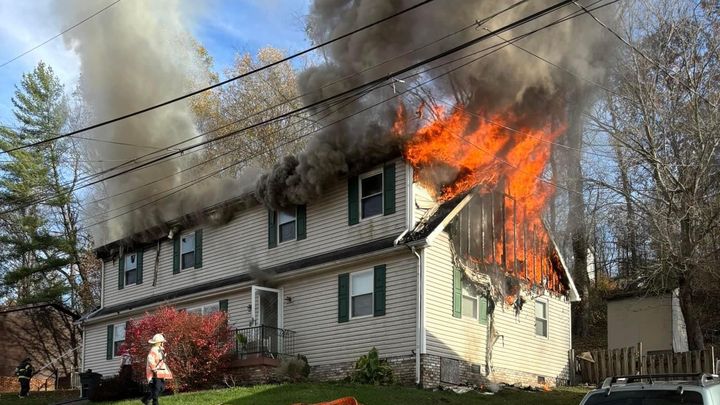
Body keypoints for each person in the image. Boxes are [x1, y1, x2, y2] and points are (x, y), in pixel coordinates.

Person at [141, 334, 172, 405]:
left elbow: (161, 360)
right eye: (162, 342)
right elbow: (150, 359)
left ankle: (146, 399)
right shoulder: (153, 350)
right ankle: (155, 402)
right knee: (157, 388)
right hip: (154, 372)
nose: (163, 343)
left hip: (161, 371)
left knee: (161, 388)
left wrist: (163, 359)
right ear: (159, 342)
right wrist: (153, 368)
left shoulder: (160, 350)